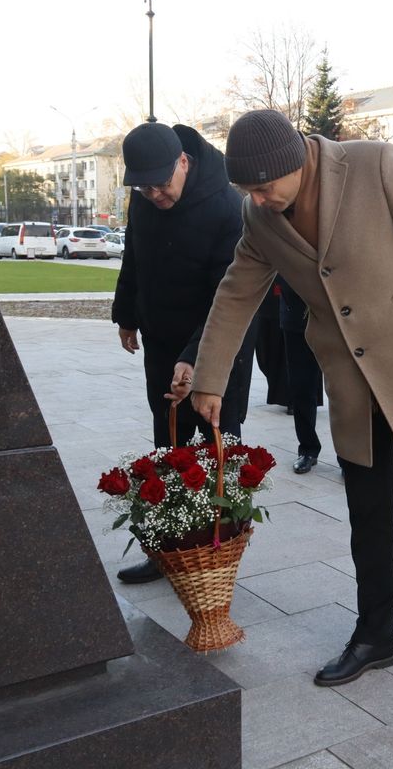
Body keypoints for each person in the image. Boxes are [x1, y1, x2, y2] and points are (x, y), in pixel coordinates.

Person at [188, 110, 393, 687]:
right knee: (367, 516)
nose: (257, 199)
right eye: (248, 190)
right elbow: (235, 295)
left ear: (296, 161)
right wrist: (210, 378)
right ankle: (375, 636)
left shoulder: (373, 165)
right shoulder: (260, 218)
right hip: (352, 379)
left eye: (263, 186)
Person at [110, 121, 257, 585]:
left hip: (216, 347)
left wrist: (195, 357)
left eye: (161, 184)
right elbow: (134, 256)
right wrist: (126, 314)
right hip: (161, 340)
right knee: (169, 446)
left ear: (183, 162)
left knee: (216, 452)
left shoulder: (226, 207)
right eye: (144, 188)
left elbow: (226, 299)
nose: (155, 195)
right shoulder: (145, 198)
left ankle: (216, 554)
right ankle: (168, 550)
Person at [279, 278, 324, 473]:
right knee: (301, 386)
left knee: (345, 391)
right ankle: (307, 449)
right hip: (296, 314)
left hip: (337, 317)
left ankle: (347, 456)